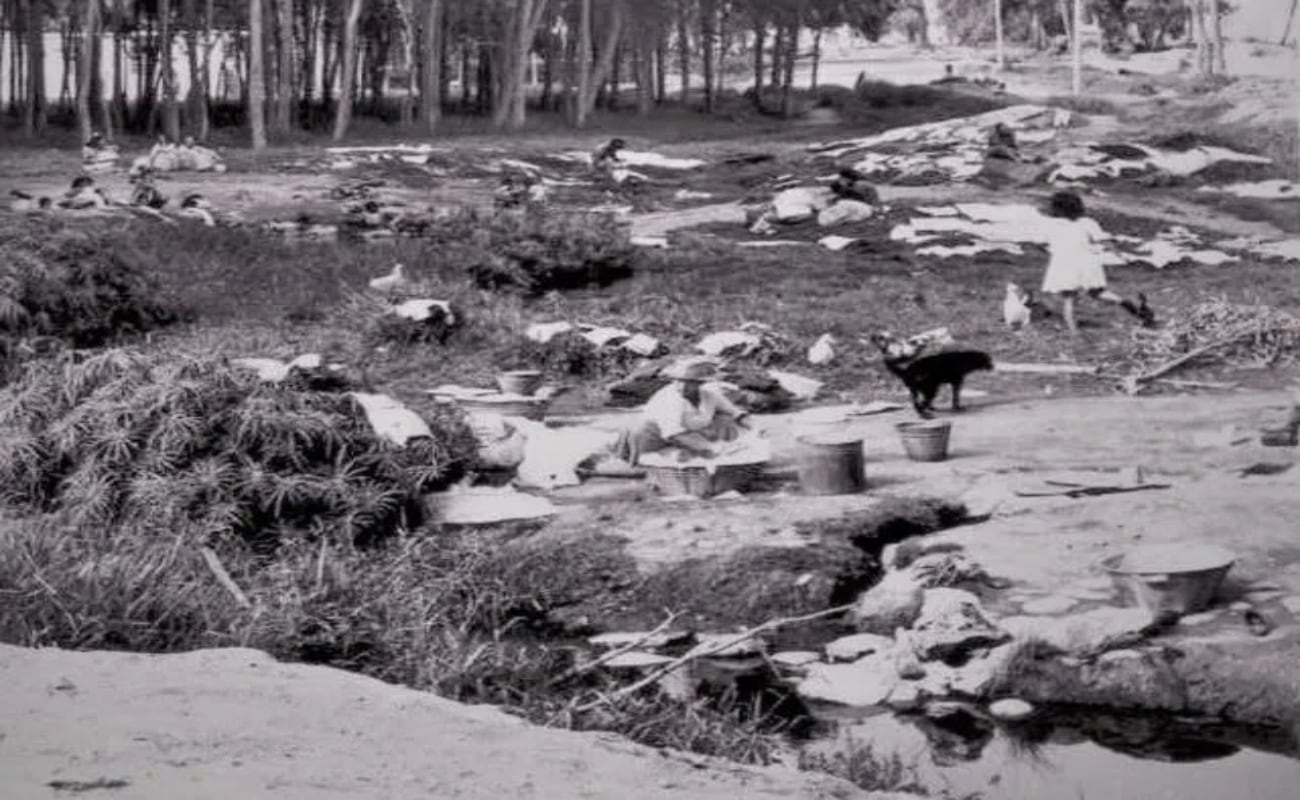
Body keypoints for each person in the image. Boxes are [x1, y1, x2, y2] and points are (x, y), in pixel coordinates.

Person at [1040, 190, 1154, 334]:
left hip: (1064, 263)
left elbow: (1043, 243)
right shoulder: (1088, 222)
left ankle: (1074, 332)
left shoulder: (1052, 224)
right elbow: (1104, 241)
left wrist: (1053, 251)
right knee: (1097, 293)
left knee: (1069, 299)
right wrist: (1119, 255)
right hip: (1086, 261)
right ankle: (1126, 304)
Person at [611, 358, 752, 466]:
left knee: (724, 419)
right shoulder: (669, 398)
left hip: (689, 439)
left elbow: (737, 414)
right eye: (678, 381)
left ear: (700, 384)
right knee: (679, 460)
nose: (682, 386)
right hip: (654, 442)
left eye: (689, 383)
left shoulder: (709, 395)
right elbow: (674, 435)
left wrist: (756, 431)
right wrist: (712, 447)